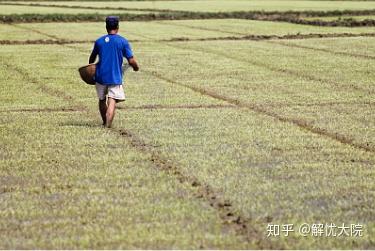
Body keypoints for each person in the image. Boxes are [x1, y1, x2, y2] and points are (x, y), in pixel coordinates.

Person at [89, 16, 139, 128]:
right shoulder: (122, 41)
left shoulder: (99, 41)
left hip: (100, 76)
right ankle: (108, 125)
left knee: (102, 99)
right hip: (114, 76)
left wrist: (90, 69)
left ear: (106, 27)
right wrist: (136, 67)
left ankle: (104, 122)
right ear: (117, 27)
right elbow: (131, 60)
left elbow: (91, 59)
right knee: (112, 100)